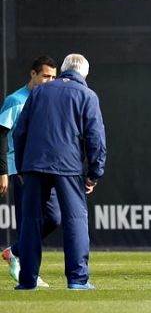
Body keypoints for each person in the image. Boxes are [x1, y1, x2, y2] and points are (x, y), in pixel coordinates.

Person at [13, 54, 107, 290]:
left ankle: (27, 281)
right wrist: (94, 174)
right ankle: (77, 279)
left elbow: (19, 132)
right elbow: (96, 138)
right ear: (84, 74)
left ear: (63, 70)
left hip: (34, 164)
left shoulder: (39, 92)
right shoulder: (87, 95)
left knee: (30, 222)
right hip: (68, 165)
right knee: (75, 220)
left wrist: (22, 165)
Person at [0, 56, 60, 287]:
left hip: (45, 168)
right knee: (29, 221)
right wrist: (3, 171)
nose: (49, 81)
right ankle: (29, 272)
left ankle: (14, 251)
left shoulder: (50, 100)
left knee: (54, 217)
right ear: (33, 74)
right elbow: (2, 136)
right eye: (45, 76)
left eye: (53, 77)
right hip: (20, 169)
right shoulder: (16, 100)